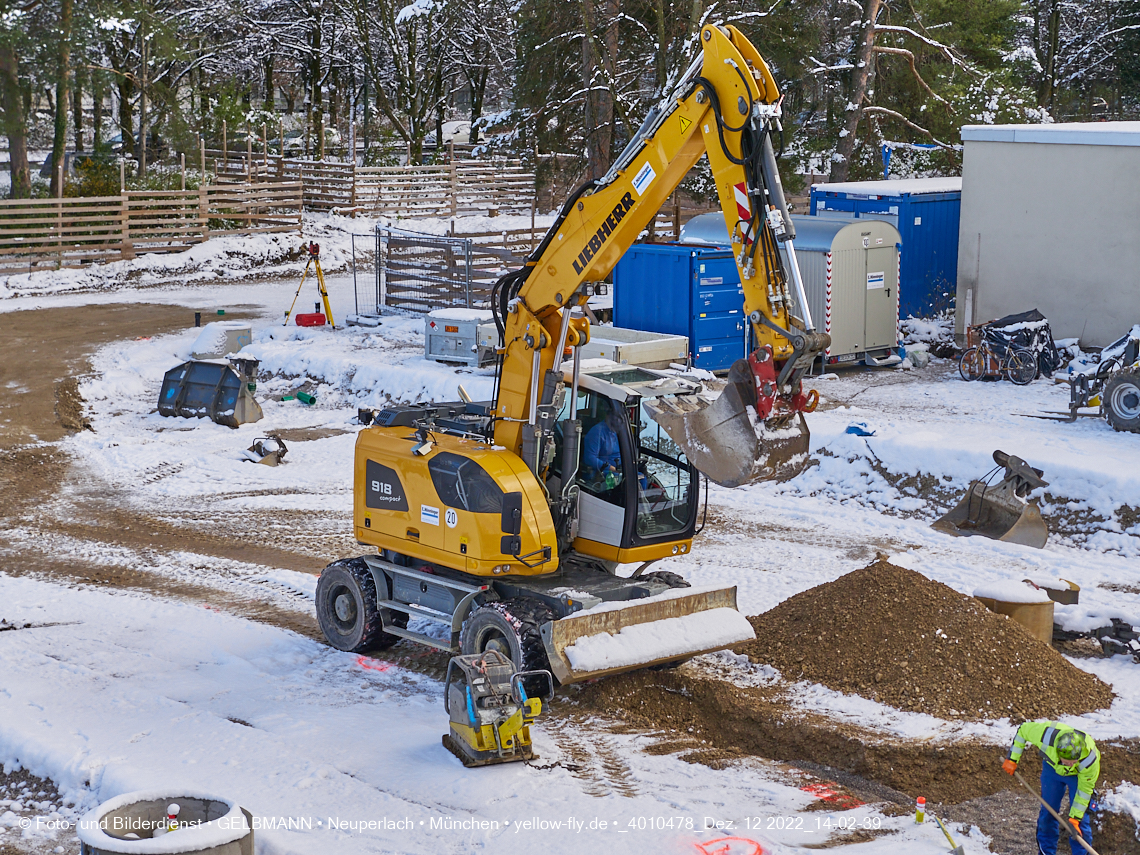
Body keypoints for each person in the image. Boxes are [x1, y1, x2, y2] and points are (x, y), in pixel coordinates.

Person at [1002, 720, 1099, 855]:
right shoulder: (1045, 735)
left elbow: (1084, 791)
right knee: (1048, 813)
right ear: (1059, 753)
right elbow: (1023, 731)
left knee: (1080, 823)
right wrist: (1012, 758)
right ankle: (1046, 852)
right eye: (1068, 762)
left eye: (1073, 761)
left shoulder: (1089, 759)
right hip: (1052, 768)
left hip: (1078, 776)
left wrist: (1074, 818)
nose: (1070, 764)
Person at [583, 405, 624, 483]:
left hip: (621, 468)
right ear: (609, 416)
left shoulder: (618, 432)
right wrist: (611, 468)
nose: (618, 421)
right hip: (603, 471)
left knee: (642, 478)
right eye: (616, 417)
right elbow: (589, 458)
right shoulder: (597, 432)